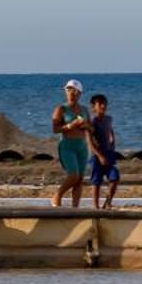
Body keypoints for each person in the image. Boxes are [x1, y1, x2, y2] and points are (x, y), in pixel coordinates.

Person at [51, 79, 91, 208]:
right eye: (67, 89)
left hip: (82, 146)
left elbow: (91, 127)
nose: (70, 92)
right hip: (67, 145)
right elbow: (55, 129)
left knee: (79, 180)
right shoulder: (61, 109)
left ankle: (75, 208)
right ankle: (57, 195)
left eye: (73, 90)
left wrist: (85, 126)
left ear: (79, 93)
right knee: (73, 175)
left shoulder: (84, 110)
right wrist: (70, 125)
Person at [87, 93, 120, 209]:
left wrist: (113, 142)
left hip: (109, 153)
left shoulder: (108, 119)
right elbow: (89, 141)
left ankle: (108, 202)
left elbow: (110, 131)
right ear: (93, 107)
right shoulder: (92, 121)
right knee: (96, 182)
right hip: (97, 155)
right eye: (100, 104)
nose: (103, 106)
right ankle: (95, 207)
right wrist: (99, 155)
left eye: (104, 104)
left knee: (115, 177)